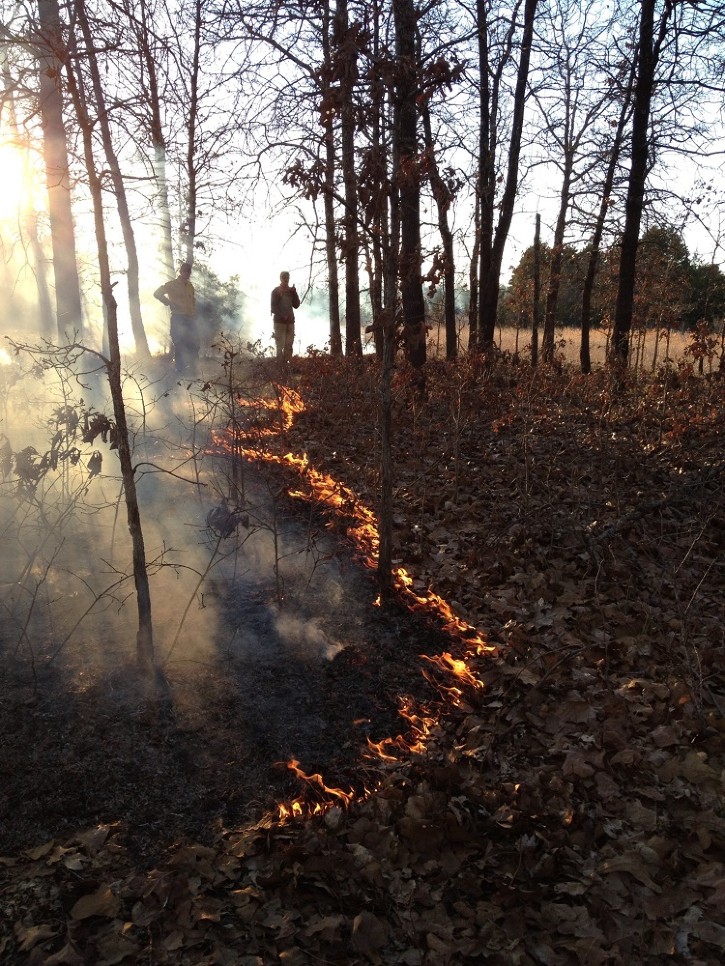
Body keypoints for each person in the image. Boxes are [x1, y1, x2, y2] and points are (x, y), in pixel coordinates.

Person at [154, 262, 199, 374]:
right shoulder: (172, 284)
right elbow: (157, 293)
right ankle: (179, 369)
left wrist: (193, 316)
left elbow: (192, 301)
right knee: (179, 342)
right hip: (178, 317)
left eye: (189, 272)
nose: (187, 274)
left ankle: (193, 369)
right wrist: (168, 303)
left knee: (193, 343)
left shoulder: (190, 286)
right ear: (181, 272)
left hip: (190, 319)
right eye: (185, 271)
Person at [270, 271, 300, 363]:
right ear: (280, 278)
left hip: (290, 322)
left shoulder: (291, 291)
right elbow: (273, 307)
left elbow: (296, 305)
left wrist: (294, 293)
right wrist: (283, 316)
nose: (286, 279)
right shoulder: (276, 291)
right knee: (280, 345)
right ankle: (279, 365)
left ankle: (288, 365)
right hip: (279, 322)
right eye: (284, 277)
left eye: (287, 277)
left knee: (289, 345)